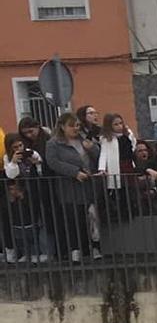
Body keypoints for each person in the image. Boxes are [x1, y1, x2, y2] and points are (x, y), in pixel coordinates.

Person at [42, 112, 97, 261]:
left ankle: (94, 248)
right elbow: (53, 162)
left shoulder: (83, 140)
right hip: (68, 186)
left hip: (87, 184)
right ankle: (75, 250)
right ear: (62, 127)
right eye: (71, 125)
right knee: (72, 217)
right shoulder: (53, 143)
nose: (76, 128)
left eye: (78, 125)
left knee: (91, 216)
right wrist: (74, 172)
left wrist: (91, 148)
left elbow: (97, 156)